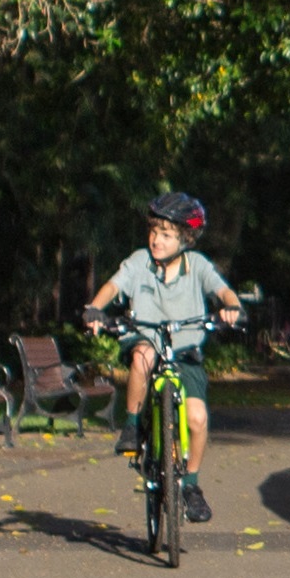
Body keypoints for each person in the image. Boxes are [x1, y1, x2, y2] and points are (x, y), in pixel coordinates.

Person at [82, 193, 242, 522]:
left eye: (166, 235)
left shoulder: (196, 265)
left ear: (185, 239)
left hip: (185, 354)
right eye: (154, 232)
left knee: (197, 419)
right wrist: (95, 309)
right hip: (146, 340)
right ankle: (131, 426)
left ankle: (192, 485)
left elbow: (222, 290)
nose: (156, 240)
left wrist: (232, 307)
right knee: (144, 352)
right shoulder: (139, 261)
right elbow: (113, 287)